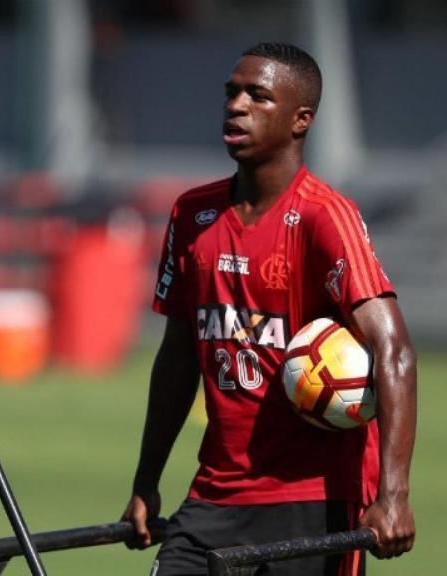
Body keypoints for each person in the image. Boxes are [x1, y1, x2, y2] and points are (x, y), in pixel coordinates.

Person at [120, 42, 417, 575]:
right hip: (214, 497)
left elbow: (393, 352)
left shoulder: (326, 217)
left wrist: (392, 493)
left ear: (301, 119)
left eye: (258, 96)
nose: (236, 105)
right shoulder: (192, 214)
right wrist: (146, 481)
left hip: (314, 504)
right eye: (232, 92)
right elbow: (177, 359)